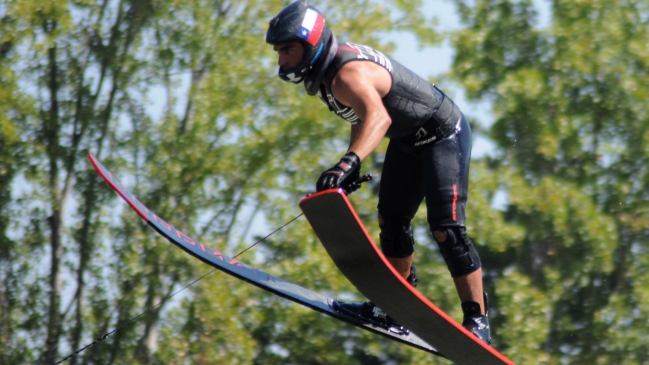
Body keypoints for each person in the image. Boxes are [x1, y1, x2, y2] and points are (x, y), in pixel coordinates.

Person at [266, 0, 491, 344]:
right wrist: (350, 159)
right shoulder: (329, 76)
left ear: (311, 47)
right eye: (279, 52)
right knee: (391, 220)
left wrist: (349, 162)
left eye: (288, 50)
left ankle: (478, 323)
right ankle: (394, 310)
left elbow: (379, 119)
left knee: (446, 230)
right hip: (407, 142)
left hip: (443, 134)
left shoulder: (345, 75)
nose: (282, 61)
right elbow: (361, 118)